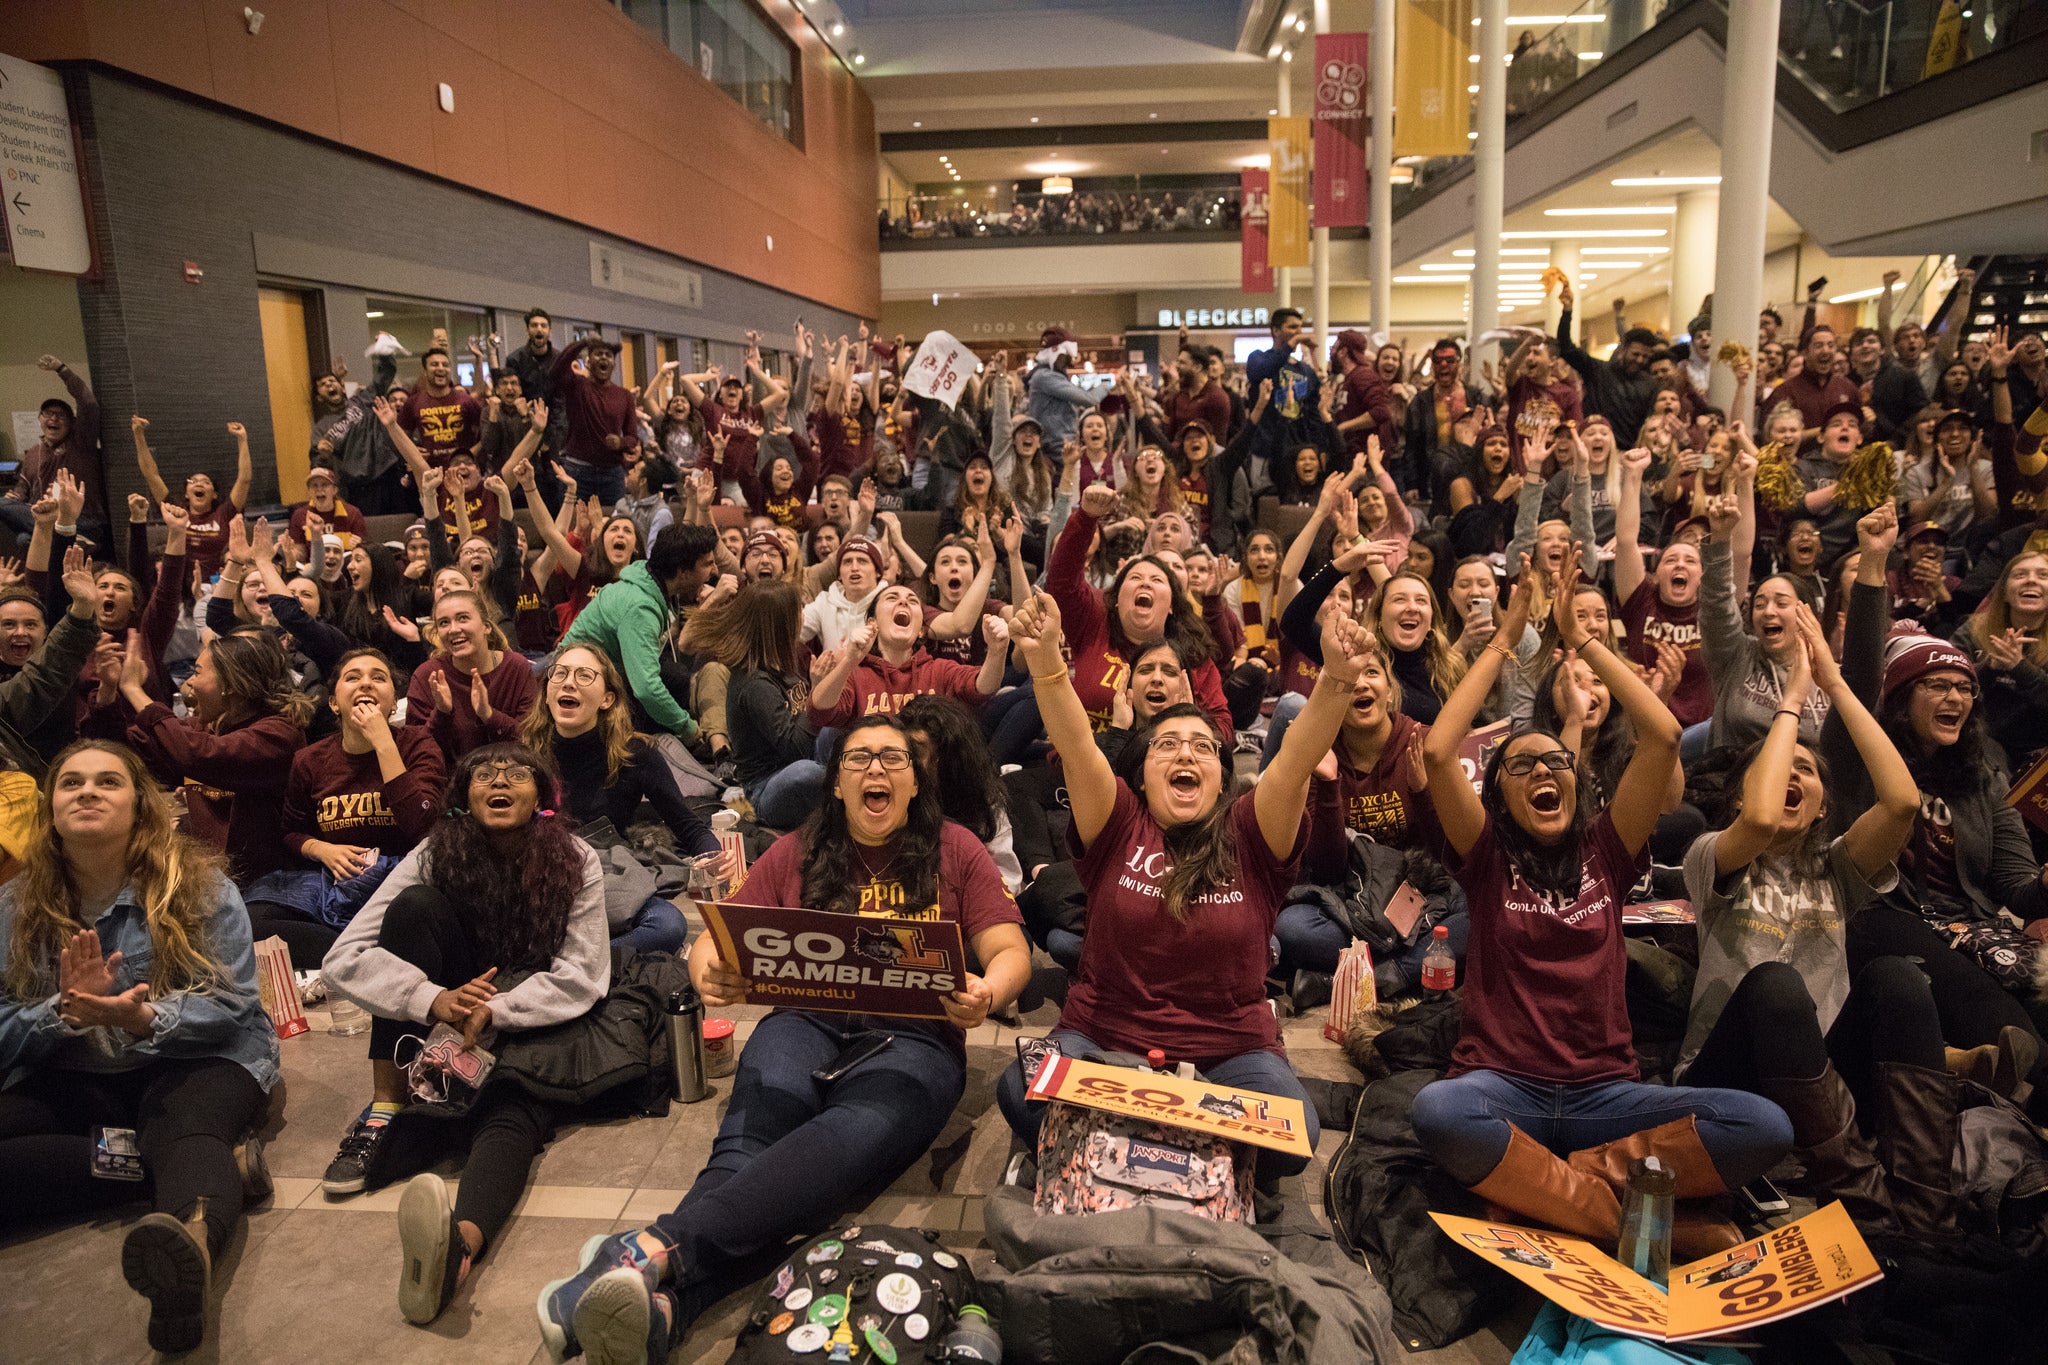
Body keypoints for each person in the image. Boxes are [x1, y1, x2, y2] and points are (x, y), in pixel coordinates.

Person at [535, 715, 1029, 1364]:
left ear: (916, 783)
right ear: (837, 784)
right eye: (858, 759)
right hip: (802, 1021)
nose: (875, 770)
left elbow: (1009, 949)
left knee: (830, 1151)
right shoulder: (797, 847)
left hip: (916, 1046)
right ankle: (662, 1306)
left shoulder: (955, 848)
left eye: (892, 759)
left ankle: (641, 1252)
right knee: (746, 1158)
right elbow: (718, 932)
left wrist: (990, 991)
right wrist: (707, 966)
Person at [1410, 559, 1791, 1251]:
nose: (1542, 771)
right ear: (1500, 800)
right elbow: (1438, 751)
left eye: (1554, 761)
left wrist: (1583, 643)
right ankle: (1641, 1223)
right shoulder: (1487, 856)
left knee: (1763, 1125)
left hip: (1604, 1100)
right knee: (1437, 1110)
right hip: (1502, 1091)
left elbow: (1666, 736)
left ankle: (1546, 1188)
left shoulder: (1606, 851)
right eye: (1520, 767)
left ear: (1577, 782)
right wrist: (1506, 637)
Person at [992, 586, 1362, 1182]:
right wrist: (1045, 664)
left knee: (1297, 1133)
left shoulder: (1251, 830)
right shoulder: (1117, 822)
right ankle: (1194, 1165)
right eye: (1166, 745)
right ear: (1140, 774)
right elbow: (1078, 744)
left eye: (1202, 748)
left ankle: (1117, 1156)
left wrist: (1338, 680)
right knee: (1021, 1090)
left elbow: (1295, 757)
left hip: (1231, 1050)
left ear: (1222, 776)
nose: (1184, 754)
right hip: (1102, 1038)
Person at [1676, 606, 1951, 1230]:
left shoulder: (1836, 868)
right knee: (1776, 984)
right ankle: (1864, 1211)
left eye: (1810, 771)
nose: (1795, 774)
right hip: (1726, 1084)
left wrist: (1836, 686)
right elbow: (1763, 819)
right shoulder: (1711, 856)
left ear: (1826, 802)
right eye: (1781, 769)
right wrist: (1793, 700)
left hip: (1825, 1086)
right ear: (1745, 792)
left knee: (1898, 980)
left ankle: (1926, 1215)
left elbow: (1903, 800)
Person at [0, 740, 278, 1354]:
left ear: (140, 807)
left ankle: (189, 1267)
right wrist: (60, 1012)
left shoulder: (199, 886)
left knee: (187, 1130)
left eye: (107, 782)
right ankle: (153, 1166)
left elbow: (233, 1006)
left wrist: (142, 1016)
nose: (88, 792)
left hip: (192, 1060)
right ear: (50, 810)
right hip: (76, 1071)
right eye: (70, 783)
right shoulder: (13, 909)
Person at [320, 744, 610, 1326]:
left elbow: (583, 973)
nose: (499, 782)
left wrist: (497, 1011)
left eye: (515, 773)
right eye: (483, 773)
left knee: (514, 1108)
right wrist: (434, 1001)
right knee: (412, 910)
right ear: (464, 794)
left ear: (541, 796)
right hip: (448, 1002)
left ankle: (457, 1248)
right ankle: (386, 1104)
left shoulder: (577, 857)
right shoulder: (434, 852)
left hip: (532, 1009)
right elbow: (344, 955)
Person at [518, 645, 727, 955]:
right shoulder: (522, 757)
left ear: (607, 699)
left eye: (584, 675)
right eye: (559, 673)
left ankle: (577, 963)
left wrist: (716, 858)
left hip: (604, 879)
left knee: (667, 925)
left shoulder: (635, 756)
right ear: (547, 694)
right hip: (539, 880)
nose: (568, 682)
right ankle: (588, 960)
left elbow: (688, 826)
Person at [249, 648, 446, 967]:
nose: (366, 684)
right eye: (353, 678)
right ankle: (362, 960)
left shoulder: (417, 744)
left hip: (403, 881)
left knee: (414, 913)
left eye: (378, 678)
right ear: (333, 702)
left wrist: (384, 743)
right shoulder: (310, 760)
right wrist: (323, 849)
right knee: (255, 919)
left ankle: (359, 959)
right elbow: (291, 832)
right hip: (337, 882)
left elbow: (422, 825)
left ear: (394, 703)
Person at [110, 626, 313, 882]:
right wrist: (108, 693)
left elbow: (198, 754)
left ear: (230, 685)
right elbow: (131, 751)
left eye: (197, 672)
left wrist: (134, 690)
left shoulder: (279, 733)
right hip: (206, 875)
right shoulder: (209, 726)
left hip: (266, 881)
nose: (190, 682)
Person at [559, 524, 722, 742]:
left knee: (676, 676)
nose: (715, 571)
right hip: (578, 684)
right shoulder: (640, 608)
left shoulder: (650, 581)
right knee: (664, 688)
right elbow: (646, 689)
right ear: (682, 572)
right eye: (708, 564)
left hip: (606, 673)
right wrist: (689, 730)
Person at [806, 583, 1009, 728]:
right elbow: (819, 712)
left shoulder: (939, 670)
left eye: (912, 601)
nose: (903, 602)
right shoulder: (855, 673)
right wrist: (849, 661)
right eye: (892, 598)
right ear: (872, 623)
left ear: (921, 630)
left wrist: (997, 651)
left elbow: (983, 688)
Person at [404, 590, 538, 762]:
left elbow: (531, 738)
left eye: (462, 618)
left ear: (486, 626)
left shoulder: (516, 667)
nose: (453, 629)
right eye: (444, 623)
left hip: (511, 775)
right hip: (452, 783)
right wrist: (442, 713)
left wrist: (489, 715)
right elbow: (416, 751)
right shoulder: (427, 676)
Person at [2, 354, 109, 543]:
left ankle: (69, 535)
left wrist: (62, 369)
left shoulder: (81, 442)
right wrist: (16, 496)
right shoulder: (34, 453)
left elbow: (89, 404)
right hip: (49, 517)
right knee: (22, 538)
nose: (53, 419)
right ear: (40, 419)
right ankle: (66, 537)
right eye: (48, 414)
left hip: (85, 520)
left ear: (72, 423)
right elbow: (23, 487)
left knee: (23, 531)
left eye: (60, 415)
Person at [131, 417, 253, 579]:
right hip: (180, 586)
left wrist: (242, 440)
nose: (199, 484)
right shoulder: (176, 512)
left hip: (218, 583)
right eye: (193, 482)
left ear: (214, 494)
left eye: (206, 482)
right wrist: (139, 435)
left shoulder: (224, 513)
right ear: (186, 493)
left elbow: (244, 479)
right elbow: (151, 475)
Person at [552, 336, 641, 507]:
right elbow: (557, 369)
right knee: (572, 525)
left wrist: (621, 442)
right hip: (577, 471)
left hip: (612, 473)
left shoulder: (624, 395)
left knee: (615, 523)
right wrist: (583, 343)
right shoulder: (577, 385)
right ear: (589, 361)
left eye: (608, 355)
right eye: (598, 354)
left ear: (614, 364)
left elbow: (633, 437)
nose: (603, 358)